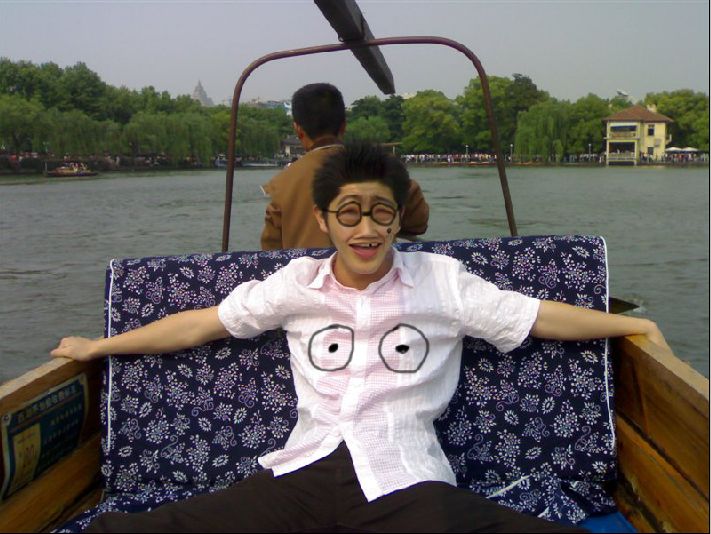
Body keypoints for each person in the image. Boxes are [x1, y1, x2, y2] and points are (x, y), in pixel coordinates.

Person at [52, 143, 668, 533]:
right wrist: (98, 348)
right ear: (324, 220)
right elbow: (199, 323)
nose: (366, 229)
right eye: (349, 213)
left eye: (381, 212)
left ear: (398, 220)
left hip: (406, 482)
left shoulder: (441, 281)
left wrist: (634, 324)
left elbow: (534, 317)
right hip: (302, 474)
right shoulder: (298, 283)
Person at [260, 83, 429, 250]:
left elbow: (270, 250)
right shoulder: (383, 167)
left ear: (298, 130)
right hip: (372, 263)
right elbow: (418, 223)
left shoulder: (281, 184)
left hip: (305, 267)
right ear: (343, 126)